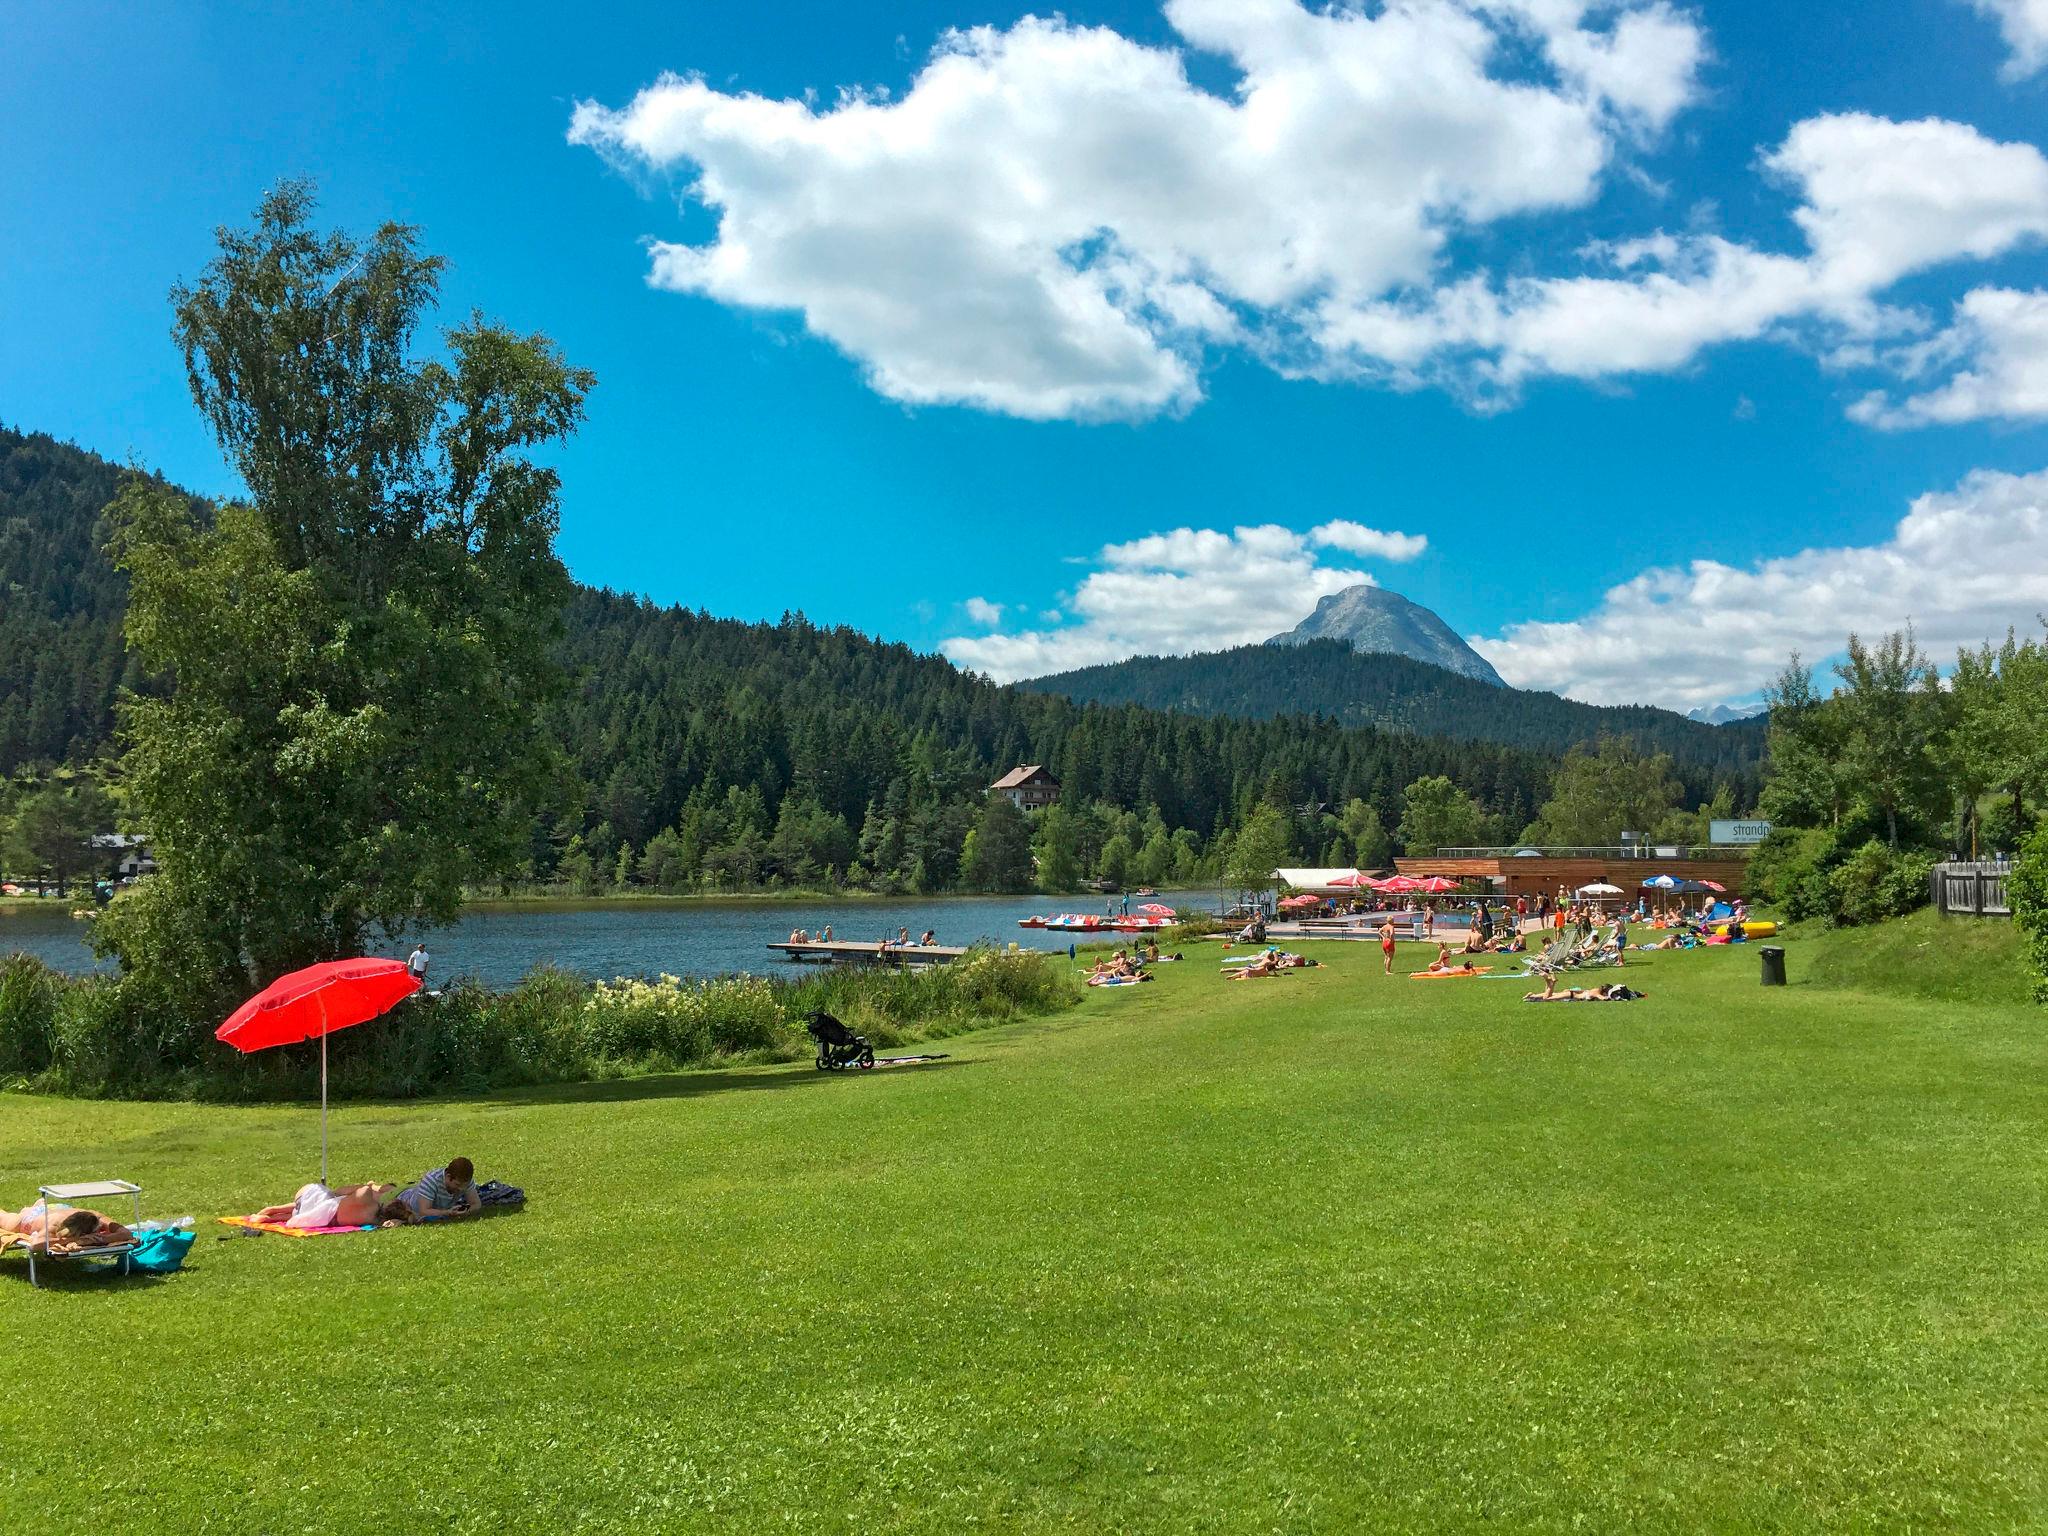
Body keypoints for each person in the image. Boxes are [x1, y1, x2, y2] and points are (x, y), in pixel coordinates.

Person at [249, 1180, 398, 1230]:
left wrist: (371, 1186)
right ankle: (272, 1215)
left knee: (324, 1198)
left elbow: (337, 1192)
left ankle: (273, 1211)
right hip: (325, 1215)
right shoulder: (373, 1218)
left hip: (309, 1195)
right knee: (312, 1208)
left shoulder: (367, 1195)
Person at [1, 1200, 134, 1248]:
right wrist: (76, 1239)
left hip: (56, 1207)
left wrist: (102, 1239)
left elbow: (126, 1233)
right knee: (6, 1219)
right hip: (32, 1217)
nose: (100, 1230)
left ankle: (40, 1202)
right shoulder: (55, 1223)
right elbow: (36, 1244)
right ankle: (34, 1206)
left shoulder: (95, 1216)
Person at [397, 1157, 482, 1221]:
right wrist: (447, 1213)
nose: (461, 1189)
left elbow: (476, 1204)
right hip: (404, 1201)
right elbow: (424, 1211)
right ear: (448, 1177)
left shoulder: (465, 1181)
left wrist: (466, 1213)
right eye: (457, 1185)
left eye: (465, 1186)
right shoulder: (431, 1180)